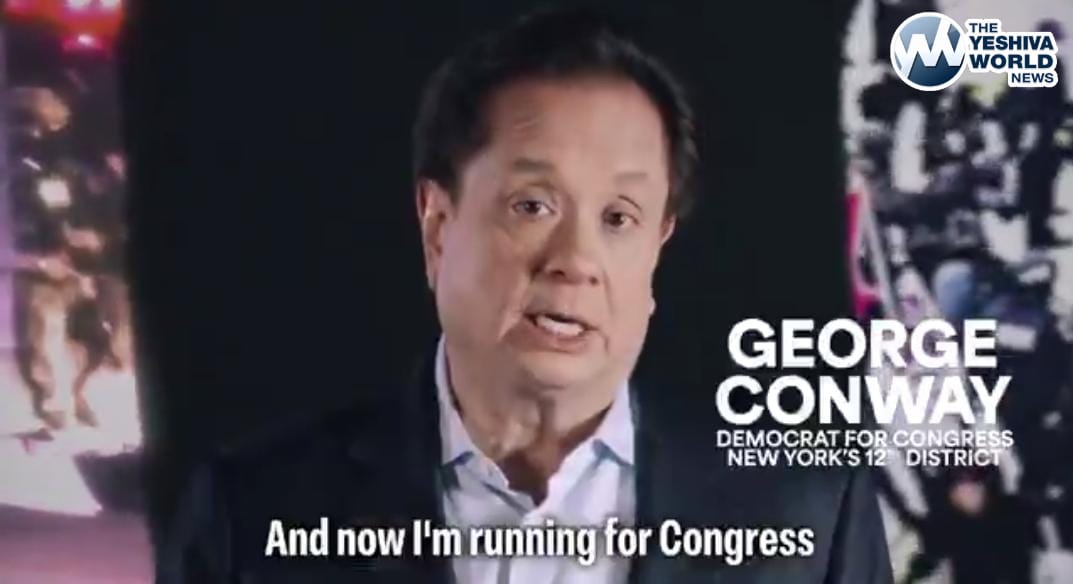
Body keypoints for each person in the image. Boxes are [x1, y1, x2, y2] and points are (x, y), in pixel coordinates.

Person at [158, 8, 892, 583]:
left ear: (657, 247)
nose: (575, 263)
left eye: (618, 219)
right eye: (532, 206)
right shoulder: (251, 513)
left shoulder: (808, 515)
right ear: (437, 225)